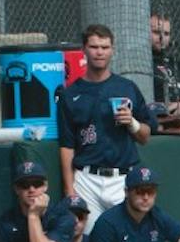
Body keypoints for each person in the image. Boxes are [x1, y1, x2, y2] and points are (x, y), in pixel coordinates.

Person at [56, 23, 155, 215]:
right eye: (94, 47)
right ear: (84, 49)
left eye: (105, 47)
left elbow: (145, 136)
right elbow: (67, 146)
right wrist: (69, 190)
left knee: (125, 240)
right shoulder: (70, 94)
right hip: (87, 179)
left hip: (122, 179)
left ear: (112, 50)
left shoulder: (127, 88)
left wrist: (132, 123)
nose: (99, 52)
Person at [0, 160, 76, 242]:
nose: (31, 189)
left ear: (45, 186)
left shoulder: (63, 216)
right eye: (25, 185)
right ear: (16, 189)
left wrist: (33, 215)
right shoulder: (5, 222)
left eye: (37, 184)